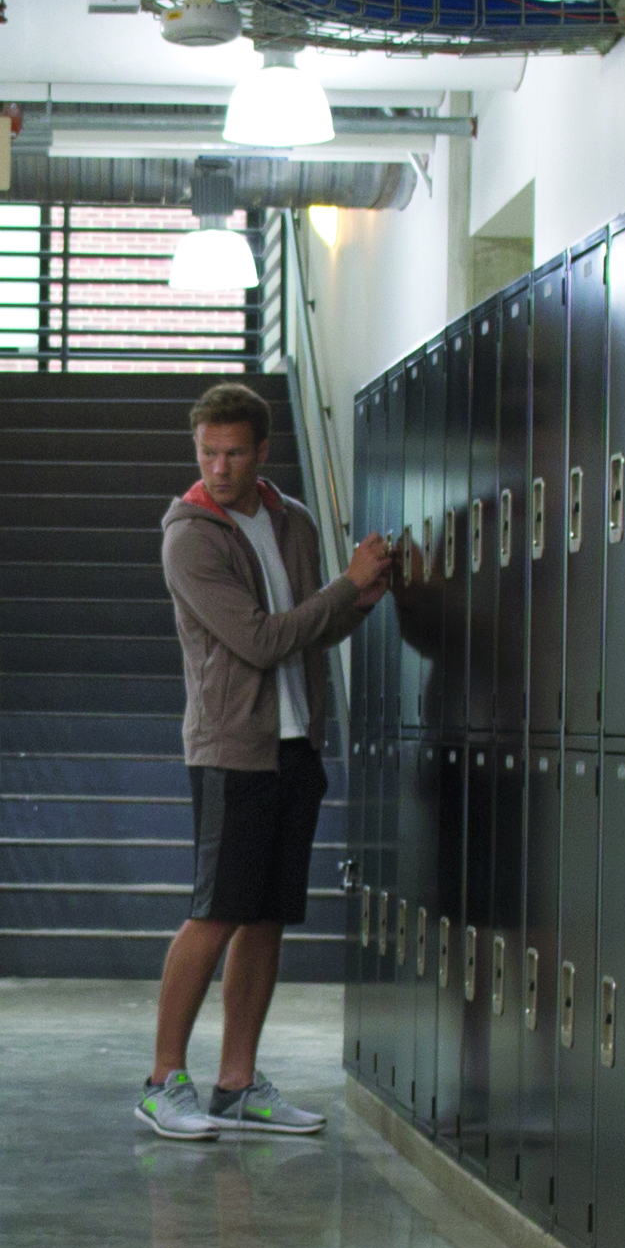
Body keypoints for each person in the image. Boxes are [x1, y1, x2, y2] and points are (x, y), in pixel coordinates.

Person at [140, 381, 398, 1141]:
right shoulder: (189, 537)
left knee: (266, 921)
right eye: (207, 452)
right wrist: (343, 588)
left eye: (233, 453)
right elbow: (257, 641)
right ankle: (162, 1080)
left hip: (295, 743)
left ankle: (237, 1083)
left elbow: (310, 635)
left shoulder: (293, 521)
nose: (219, 467)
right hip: (232, 749)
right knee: (215, 914)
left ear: (262, 452)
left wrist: (359, 601)